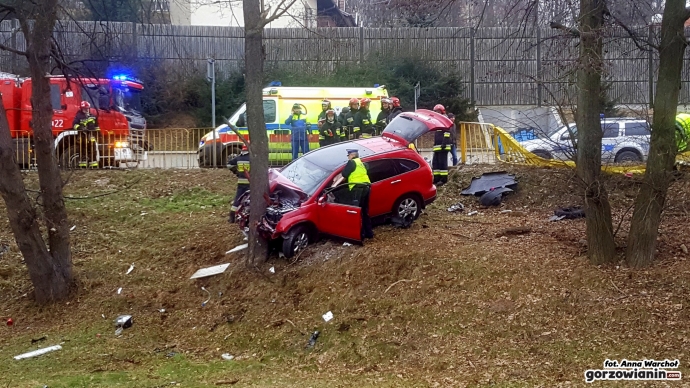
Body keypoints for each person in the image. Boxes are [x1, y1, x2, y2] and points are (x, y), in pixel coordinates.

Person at [342, 148, 374, 240]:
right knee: (365, 212)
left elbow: (344, 174)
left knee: (357, 213)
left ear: (352, 155)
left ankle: (360, 235)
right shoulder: (361, 163)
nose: (348, 157)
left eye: (348, 155)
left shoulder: (352, 162)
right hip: (366, 188)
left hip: (358, 189)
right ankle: (369, 233)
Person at [227, 143, 250, 223]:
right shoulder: (252, 158)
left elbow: (229, 165)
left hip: (241, 182)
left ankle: (232, 216)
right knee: (250, 199)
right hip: (250, 183)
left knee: (238, 199)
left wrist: (236, 172)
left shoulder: (238, 158)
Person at [72, 100, 100, 168]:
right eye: (85, 108)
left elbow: (96, 126)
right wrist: (80, 128)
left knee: (93, 151)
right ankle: (82, 165)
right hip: (82, 136)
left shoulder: (92, 116)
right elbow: (74, 125)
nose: (86, 110)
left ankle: (93, 165)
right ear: (82, 109)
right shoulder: (78, 116)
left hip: (91, 136)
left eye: (87, 108)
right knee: (82, 150)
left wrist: (99, 134)